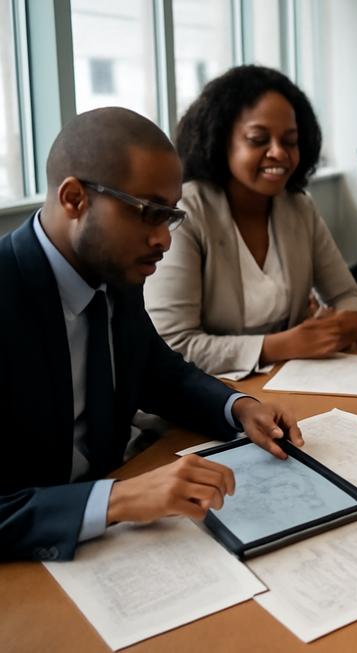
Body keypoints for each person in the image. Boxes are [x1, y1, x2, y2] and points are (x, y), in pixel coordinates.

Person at [0, 107, 303, 561]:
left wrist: (237, 407)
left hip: (119, 540)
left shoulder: (114, 276)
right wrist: (119, 499)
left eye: (171, 216)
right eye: (148, 213)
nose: (164, 239)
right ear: (75, 199)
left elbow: (159, 372)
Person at [144, 65, 357, 376]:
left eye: (290, 141)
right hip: (209, 400)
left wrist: (350, 323)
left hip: (290, 385)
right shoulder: (188, 212)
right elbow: (172, 345)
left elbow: (349, 298)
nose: (278, 152)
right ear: (221, 140)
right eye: (258, 139)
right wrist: (282, 345)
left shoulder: (299, 208)